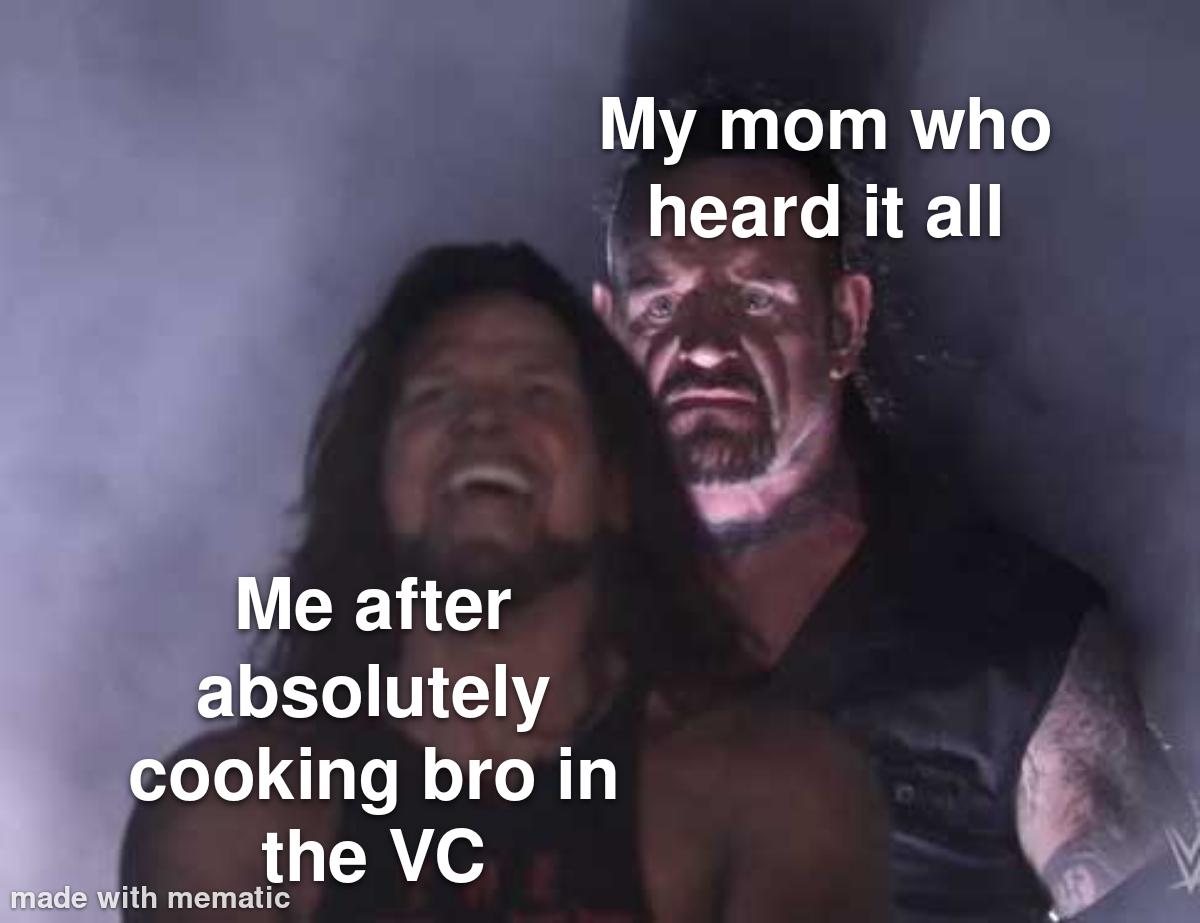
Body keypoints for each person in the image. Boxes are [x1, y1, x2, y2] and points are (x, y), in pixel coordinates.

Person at [121, 242, 887, 921]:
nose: (483, 420)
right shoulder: (227, 818)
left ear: (616, 484)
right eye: (437, 394)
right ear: (376, 484)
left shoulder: (775, 793)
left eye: (537, 392)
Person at [595, 101, 1187, 921]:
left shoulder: (1017, 636)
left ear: (844, 322)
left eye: (755, 299)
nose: (702, 342)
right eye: (662, 304)